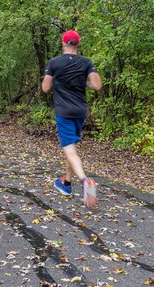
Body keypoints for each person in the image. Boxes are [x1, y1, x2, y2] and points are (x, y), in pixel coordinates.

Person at [41, 29, 102, 209]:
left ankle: (84, 181)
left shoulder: (54, 63)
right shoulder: (86, 63)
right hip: (80, 111)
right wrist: (85, 83)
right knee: (72, 147)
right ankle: (66, 184)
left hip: (64, 111)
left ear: (63, 43)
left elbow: (45, 88)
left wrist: (55, 80)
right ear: (78, 43)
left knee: (69, 149)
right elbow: (97, 85)